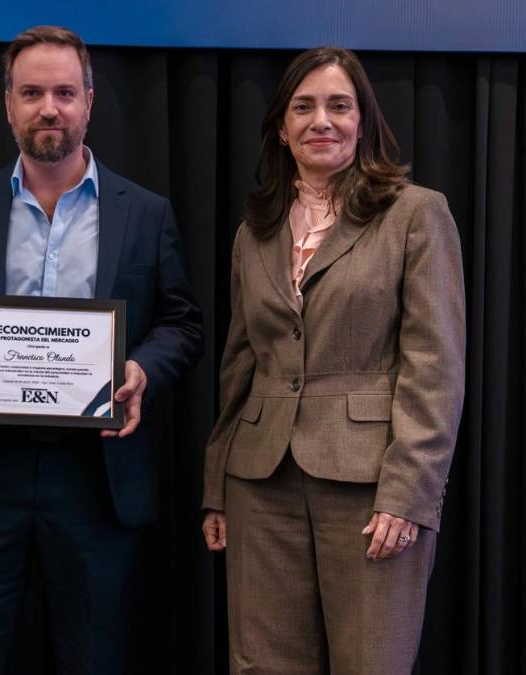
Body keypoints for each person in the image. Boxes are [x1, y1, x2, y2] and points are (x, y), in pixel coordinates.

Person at [0, 25, 203, 675]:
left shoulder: (145, 212)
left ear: (89, 101)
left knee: (96, 659)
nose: (49, 108)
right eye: (32, 92)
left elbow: (181, 323)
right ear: (8, 104)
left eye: (65, 93)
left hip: (97, 479)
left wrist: (140, 370)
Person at [201, 46, 466, 674]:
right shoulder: (254, 231)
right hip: (259, 483)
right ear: (281, 127)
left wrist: (410, 492)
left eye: (339, 106)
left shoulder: (416, 213)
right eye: (304, 107)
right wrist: (216, 487)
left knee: (372, 661)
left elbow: (435, 366)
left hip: (373, 486)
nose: (322, 120)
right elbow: (238, 366)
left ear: (363, 120)